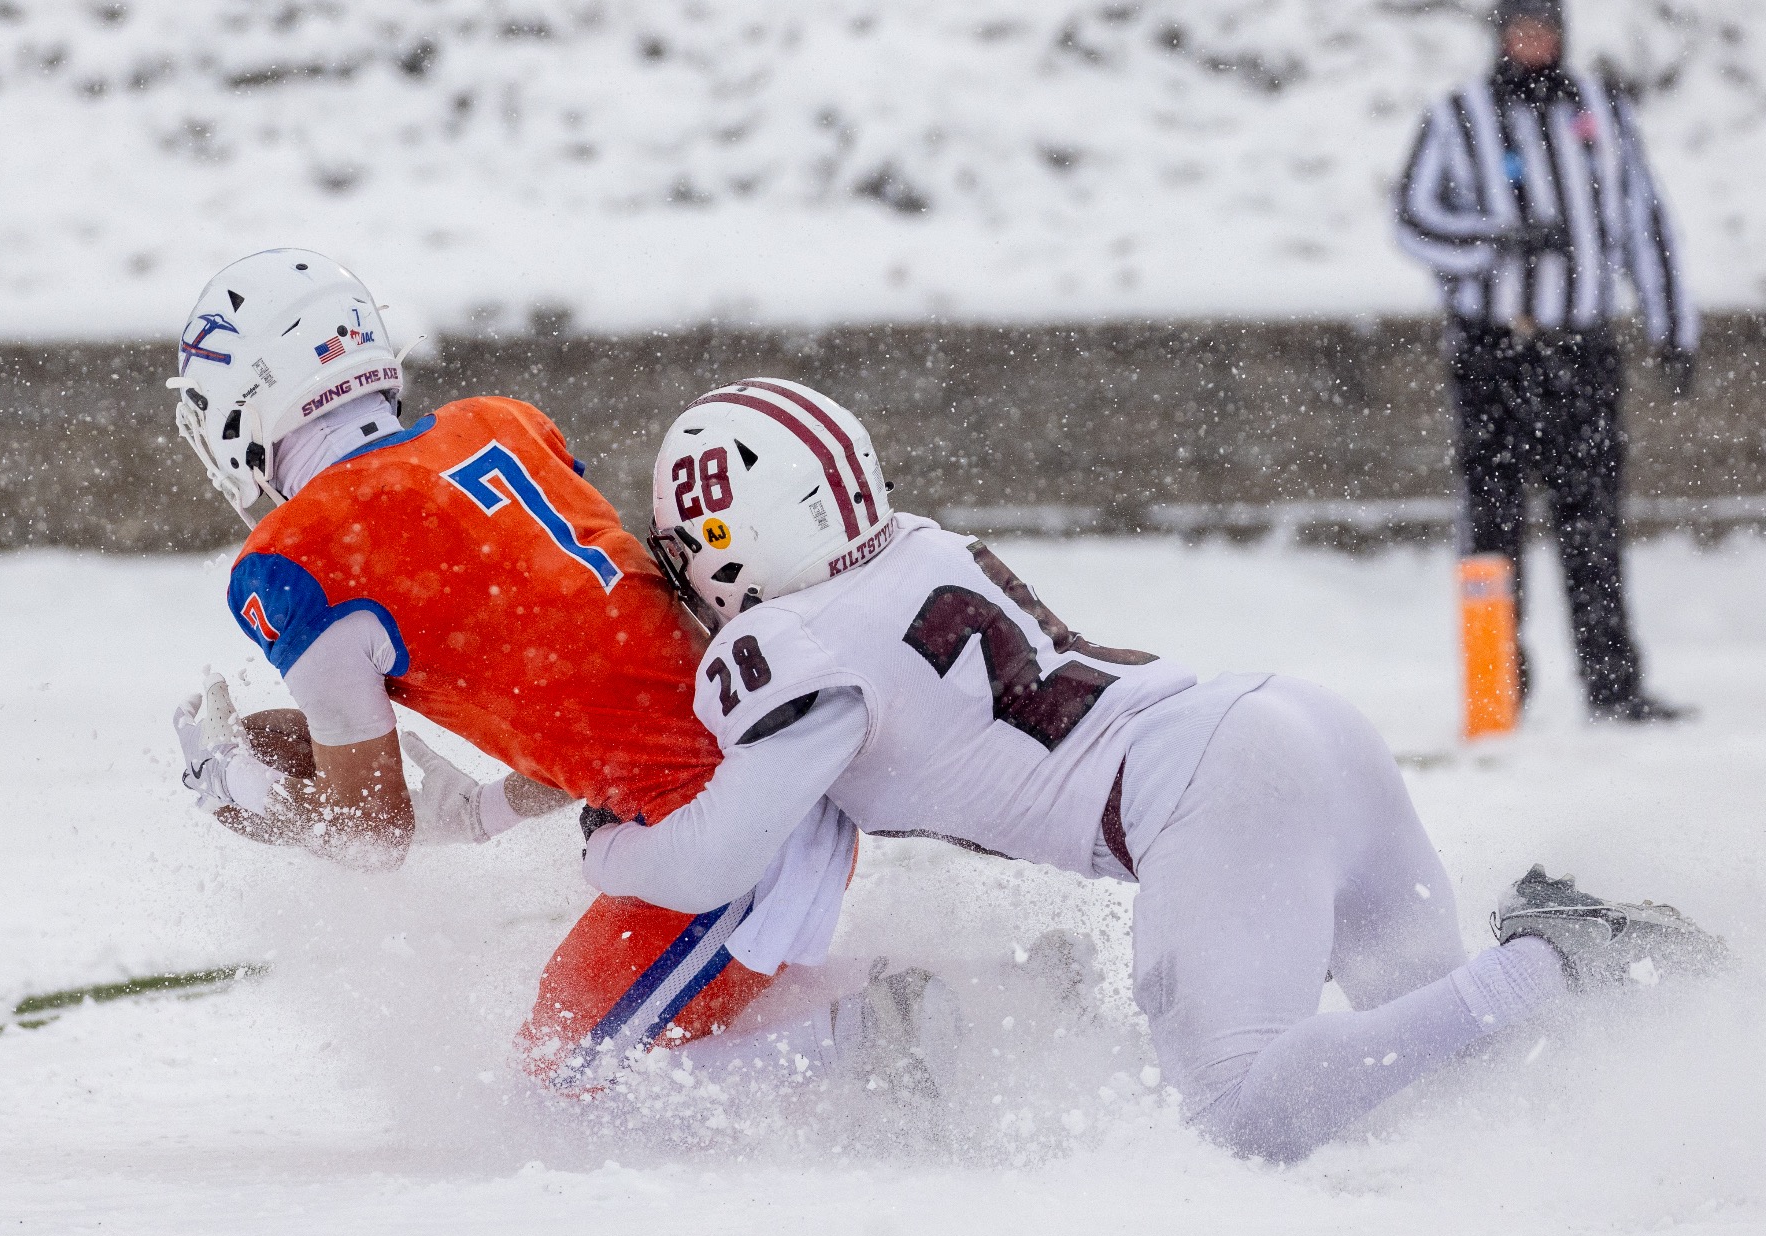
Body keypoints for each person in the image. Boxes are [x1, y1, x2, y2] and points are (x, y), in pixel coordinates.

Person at [579, 376, 1725, 1161]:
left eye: (692, 548)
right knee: (1433, 1069)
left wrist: (607, 841)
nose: (688, 577)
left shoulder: (790, 642)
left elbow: (714, 858)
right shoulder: (916, 543)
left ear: (738, 534)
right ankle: (1578, 945)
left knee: (1242, 1112)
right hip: (1297, 723)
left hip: (1213, 788)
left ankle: (1553, 957)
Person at [161, 249, 941, 1092]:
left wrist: (238, 783)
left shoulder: (298, 557)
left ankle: (878, 1040)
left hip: (721, 837)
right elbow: (601, 673)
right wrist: (486, 810)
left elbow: (370, 834)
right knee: (634, 1038)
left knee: (563, 1094)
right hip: (772, 776)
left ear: (248, 398)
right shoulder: (500, 424)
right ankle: (971, 1006)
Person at [1395, 0, 1697, 722]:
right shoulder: (1458, 115)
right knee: (1492, 524)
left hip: (1582, 349)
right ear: (1500, 36)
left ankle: (1613, 686)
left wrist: (1671, 328)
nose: (1533, 42)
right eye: (1520, 29)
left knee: (1593, 523)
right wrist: (1497, 240)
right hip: (1494, 350)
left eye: (1545, 29)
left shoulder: (1602, 109)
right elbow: (1413, 221)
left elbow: (1645, 219)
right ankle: (1498, 687)